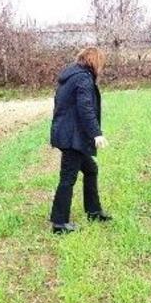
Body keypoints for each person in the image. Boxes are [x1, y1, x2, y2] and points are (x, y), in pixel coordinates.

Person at [48, 47, 113, 234]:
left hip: (68, 134)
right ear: (94, 62)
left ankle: (93, 211)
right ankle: (59, 223)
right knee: (68, 178)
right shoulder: (83, 79)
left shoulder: (71, 76)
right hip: (72, 138)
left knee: (91, 169)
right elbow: (85, 108)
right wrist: (96, 133)